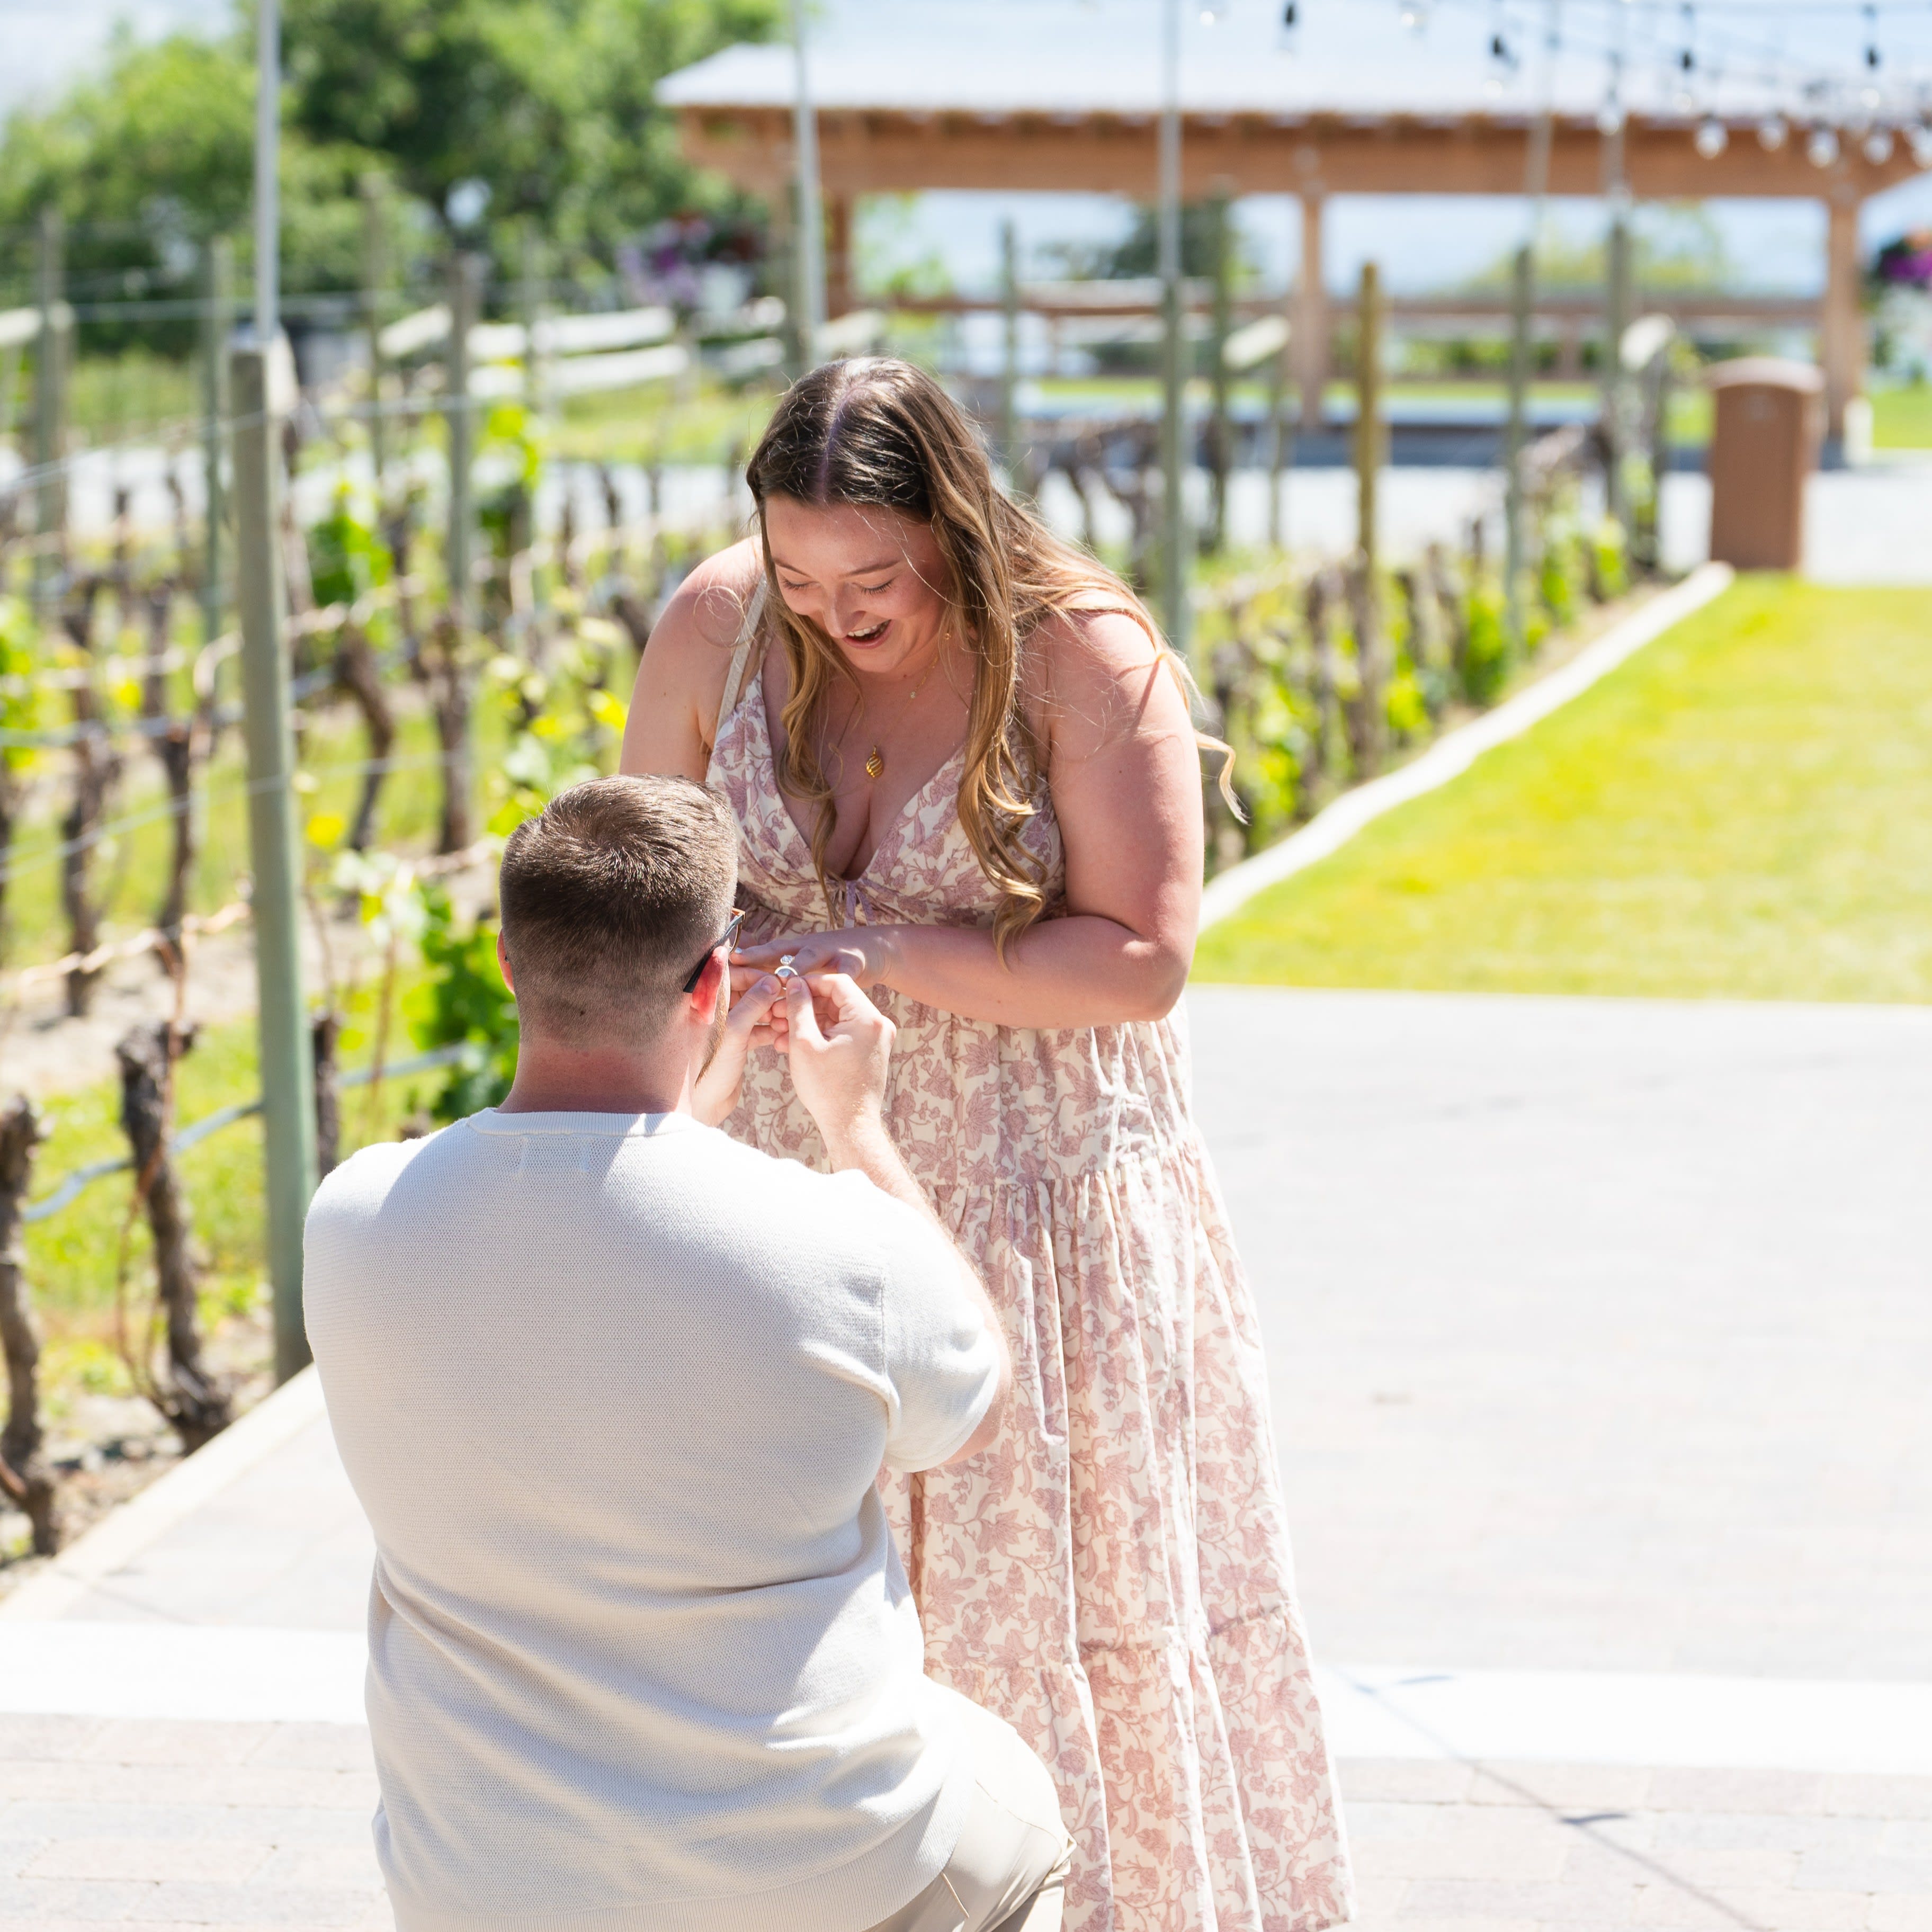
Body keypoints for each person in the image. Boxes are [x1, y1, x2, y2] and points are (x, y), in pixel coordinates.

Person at [621, 360, 1353, 1932]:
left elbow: (1145, 959)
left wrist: (871, 946)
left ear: (953, 522)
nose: (828, 612)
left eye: (872, 578)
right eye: (798, 572)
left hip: (1038, 1201)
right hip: (775, 1176)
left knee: (1043, 1603)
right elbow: (643, 887)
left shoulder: (1082, 650)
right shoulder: (714, 626)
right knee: (785, 1589)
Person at [305, 774, 1075, 1932]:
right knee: (1020, 1817)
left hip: (484, 1883)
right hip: (808, 1870)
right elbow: (971, 1400)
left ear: (510, 963)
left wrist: (685, 1118)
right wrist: (854, 1124)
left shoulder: (353, 1218)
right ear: (713, 978)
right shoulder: (838, 1246)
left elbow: (593, 1255)